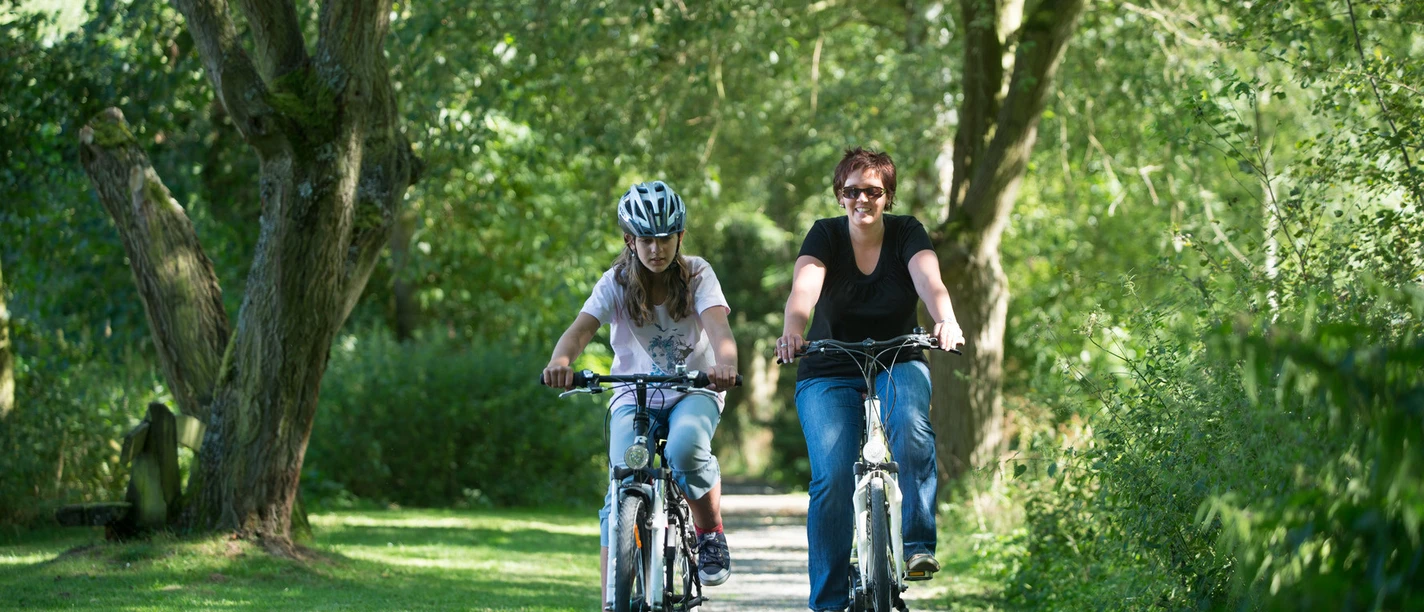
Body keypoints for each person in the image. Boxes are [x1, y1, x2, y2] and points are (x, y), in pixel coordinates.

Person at [774, 148, 965, 612]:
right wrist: (793, 333)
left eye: (874, 191)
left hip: (897, 357)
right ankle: (828, 602)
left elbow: (930, 283)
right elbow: (805, 289)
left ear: (888, 196)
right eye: (853, 190)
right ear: (841, 196)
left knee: (911, 428)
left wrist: (947, 320)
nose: (863, 199)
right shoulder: (825, 235)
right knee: (833, 477)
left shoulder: (907, 233)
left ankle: (917, 544)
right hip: (828, 364)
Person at [542, 180, 738, 607]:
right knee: (621, 484)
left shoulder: (699, 274)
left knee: (686, 449)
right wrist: (561, 362)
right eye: (646, 238)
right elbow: (580, 331)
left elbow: (720, 329)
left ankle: (709, 532)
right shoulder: (614, 282)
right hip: (634, 394)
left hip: (693, 389)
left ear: (679, 236)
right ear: (630, 239)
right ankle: (614, 600)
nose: (656, 248)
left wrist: (726, 365)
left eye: (665, 237)